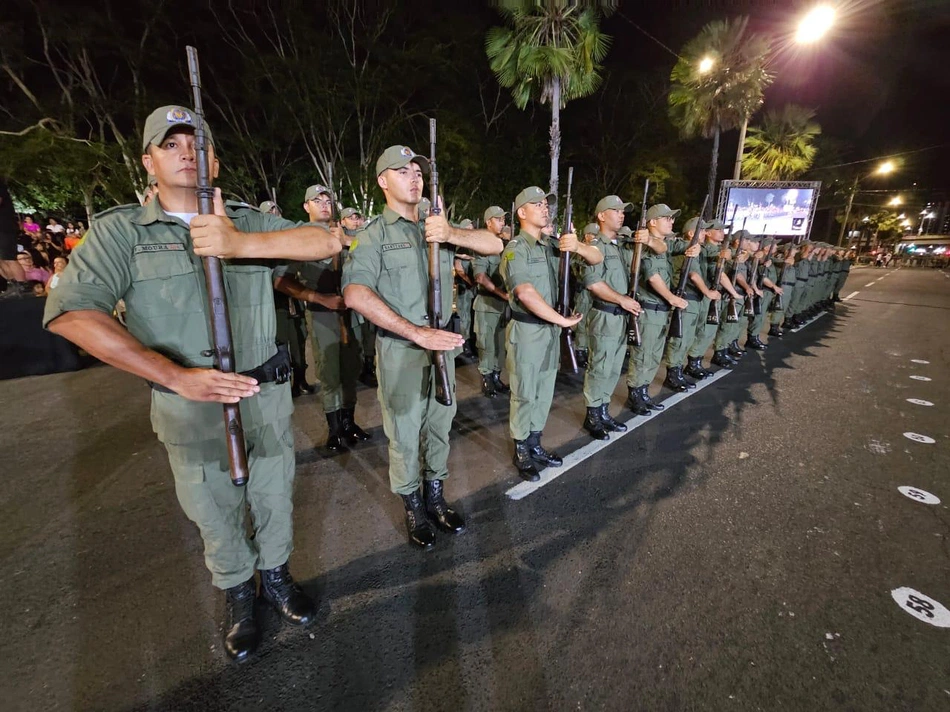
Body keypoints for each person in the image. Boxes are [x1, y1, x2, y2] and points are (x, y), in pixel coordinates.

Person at [44, 105, 342, 663]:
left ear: (216, 159)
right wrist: (173, 375)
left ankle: (276, 578)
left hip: (264, 394)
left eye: (198, 142)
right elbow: (72, 314)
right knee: (210, 502)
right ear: (148, 161)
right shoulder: (120, 232)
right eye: (171, 143)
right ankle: (237, 592)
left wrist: (238, 245)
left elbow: (325, 242)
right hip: (190, 404)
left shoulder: (248, 220)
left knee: (274, 492)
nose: (187, 151)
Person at [343, 144, 502, 548]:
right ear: (382, 181)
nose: (414, 177)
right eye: (402, 171)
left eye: (417, 171)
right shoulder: (373, 234)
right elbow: (356, 294)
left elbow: (495, 245)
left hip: (442, 347)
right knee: (404, 432)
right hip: (402, 349)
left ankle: (436, 498)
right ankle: (413, 506)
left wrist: (450, 233)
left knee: (440, 426)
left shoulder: (435, 227)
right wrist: (417, 333)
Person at [500, 186, 603, 480]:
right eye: (538, 204)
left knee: (544, 391)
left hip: (549, 331)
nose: (545, 208)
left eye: (547, 204)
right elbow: (525, 292)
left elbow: (595, 259)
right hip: (528, 331)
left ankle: (535, 443)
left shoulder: (551, 245)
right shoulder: (514, 249)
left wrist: (578, 246)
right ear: (522, 212)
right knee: (524, 393)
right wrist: (561, 320)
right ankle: (521, 450)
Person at [274, 184, 369, 451]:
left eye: (328, 199)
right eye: (317, 200)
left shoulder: (349, 234)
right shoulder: (300, 236)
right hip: (322, 312)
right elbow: (281, 280)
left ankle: (349, 423)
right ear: (307, 206)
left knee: (351, 370)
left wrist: (347, 241)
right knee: (329, 372)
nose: (325, 204)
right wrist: (320, 298)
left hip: (352, 311)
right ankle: (335, 429)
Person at [578, 195, 654, 440]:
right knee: (600, 366)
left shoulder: (622, 246)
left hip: (622, 317)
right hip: (606, 315)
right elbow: (593, 283)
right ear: (601, 216)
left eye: (623, 211)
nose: (622, 214)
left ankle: (603, 410)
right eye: (616, 210)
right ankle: (592, 415)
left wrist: (648, 238)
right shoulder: (595, 248)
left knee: (613, 368)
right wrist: (622, 299)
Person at [625, 204, 697, 415]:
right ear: (653, 222)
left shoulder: (662, 245)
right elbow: (652, 276)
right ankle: (636, 395)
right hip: (649, 309)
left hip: (661, 310)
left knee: (655, 355)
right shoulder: (644, 247)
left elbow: (677, 246)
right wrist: (671, 298)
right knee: (643, 355)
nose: (671, 222)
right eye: (667, 218)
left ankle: (644, 392)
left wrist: (696, 247)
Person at [661, 216, 717, 392]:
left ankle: (679, 371)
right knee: (679, 339)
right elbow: (693, 275)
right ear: (692, 233)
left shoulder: (696, 250)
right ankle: (672, 374)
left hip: (693, 299)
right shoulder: (685, 251)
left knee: (687, 338)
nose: (705, 233)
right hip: (687, 298)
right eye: (701, 231)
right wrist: (707, 292)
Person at [685, 218, 738, 378]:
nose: (723, 233)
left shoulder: (706, 250)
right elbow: (708, 274)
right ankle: (692, 363)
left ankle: (696, 362)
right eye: (719, 230)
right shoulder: (702, 249)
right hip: (698, 296)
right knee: (701, 332)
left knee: (707, 331)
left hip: (706, 296)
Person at [472, 205, 511, 398]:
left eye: (503, 219)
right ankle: (487, 380)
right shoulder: (482, 246)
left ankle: (496, 377)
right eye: (498, 219)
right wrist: (500, 293)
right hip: (487, 305)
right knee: (487, 345)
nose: (502, 223)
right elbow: (480, 276)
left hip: (502, 306)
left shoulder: (503, 245)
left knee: (499, 346)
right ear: (488, 222)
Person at [340, 207, 377, 387]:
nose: (355, 221)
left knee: (369, 333)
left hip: (368, 293)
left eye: (357, 217)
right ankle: (356, 367)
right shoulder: (336, 241)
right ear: (342, 222)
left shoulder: (366, 236)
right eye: (350, 218)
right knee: (353, 335)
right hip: (348, 296)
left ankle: (368, 367)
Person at [571, 222, 601, 369]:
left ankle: (586, 348)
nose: (594, 238)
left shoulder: (595, 250)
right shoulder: (580, 252)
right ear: (587, 235)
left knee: (591, 322)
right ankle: (580, 349)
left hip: (595, 292)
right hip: (583, 291)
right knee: (581, 322)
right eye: (592, 235)